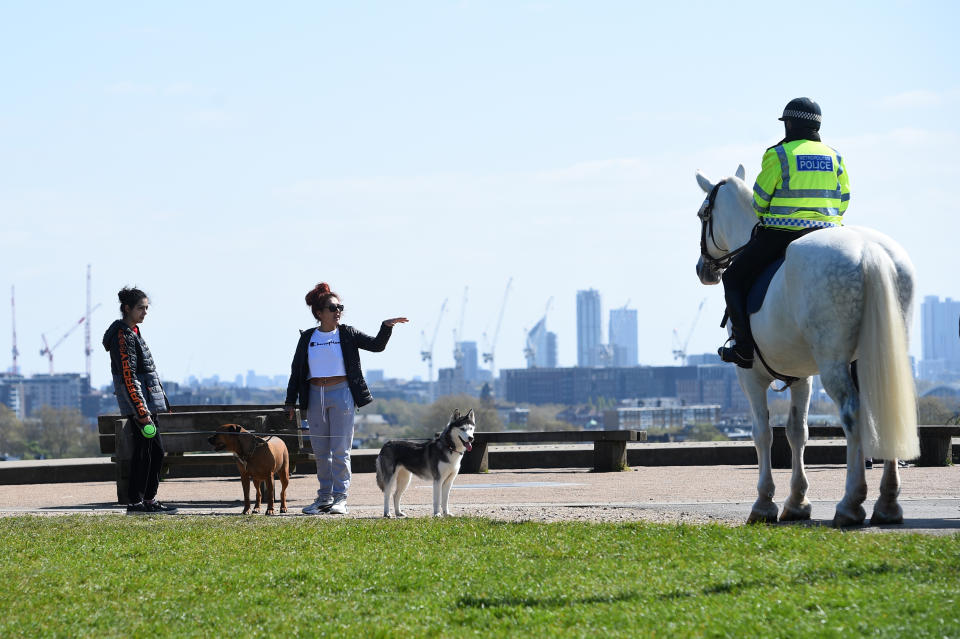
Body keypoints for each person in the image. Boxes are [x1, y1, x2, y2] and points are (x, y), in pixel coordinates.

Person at [718, 97, 851, 368]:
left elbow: (759, 201)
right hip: (830, 234)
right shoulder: (835, 156)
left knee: (732, 277)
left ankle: (743, 349)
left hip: (783, 233)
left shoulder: (778, 154)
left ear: (789, 125)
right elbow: (844, 199)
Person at [285, 282, 407, 515]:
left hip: (341, 393)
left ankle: (341, 498)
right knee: (321, 451)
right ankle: (324, 498)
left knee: (340, 450)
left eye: (340, 307)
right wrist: (290, 402)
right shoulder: (308, 337)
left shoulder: (347, 333)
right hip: (314, 395)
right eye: (332, 308)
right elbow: (297, 371)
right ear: (319, 313)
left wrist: (386, 327)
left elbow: (376, 345)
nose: (338, 311)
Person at [102, 287, 178, 515]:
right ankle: (137, 502)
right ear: (127, 308)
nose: (145, 312)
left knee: (153, 452)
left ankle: (146, 500)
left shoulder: (132, 331)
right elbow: (129, 376)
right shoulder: (123, 335)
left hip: (144, 404)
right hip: (139, 406)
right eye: (140, 308)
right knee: (148, 452)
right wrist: (141, 410)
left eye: (146, 308)